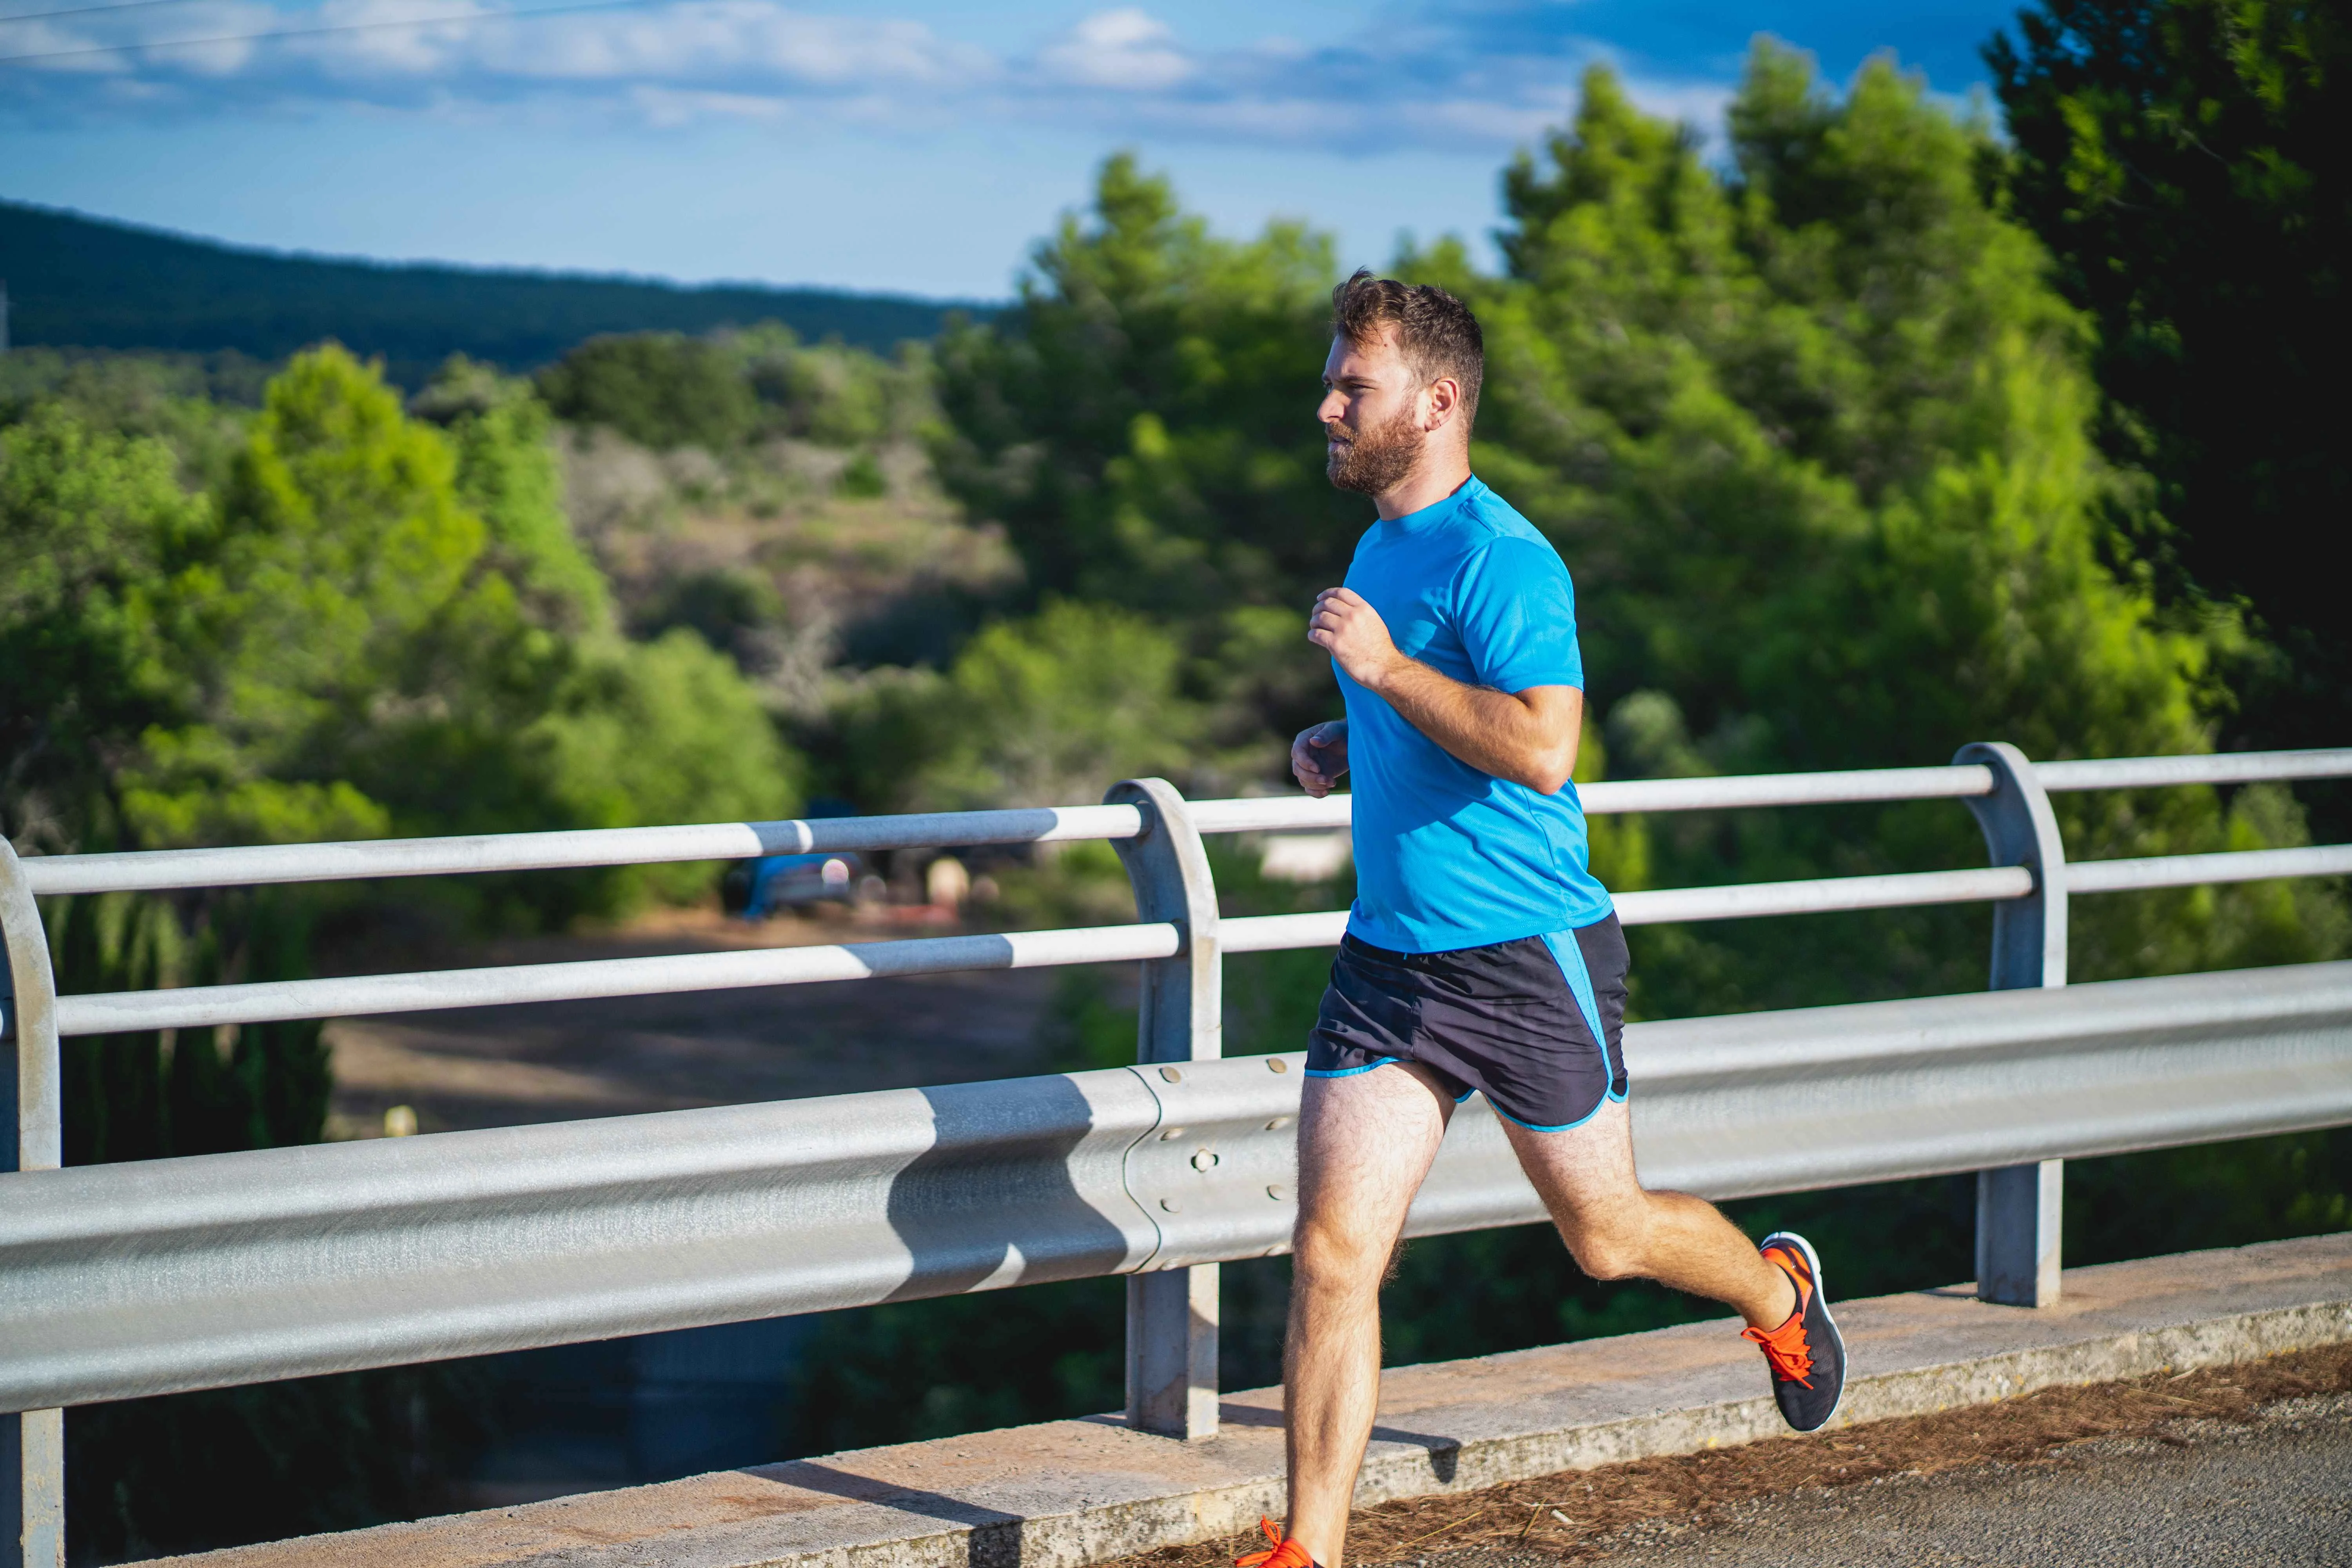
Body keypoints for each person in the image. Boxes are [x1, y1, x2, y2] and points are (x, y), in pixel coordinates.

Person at [1238, 272, 1846, 1568]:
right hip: (1392, 961)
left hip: (1525, 956)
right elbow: (1434, 712)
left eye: (1356, 386)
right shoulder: (1381, 545)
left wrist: (1386, 672)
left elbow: (1543, 745)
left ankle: (1778, 1292)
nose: (1328, 407)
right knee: (1334, 1254)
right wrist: (1348, 736)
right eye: (1333, 381)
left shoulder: (1506, 557)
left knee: (1606, 1237)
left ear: (1438, 400)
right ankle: (1313, 1550)